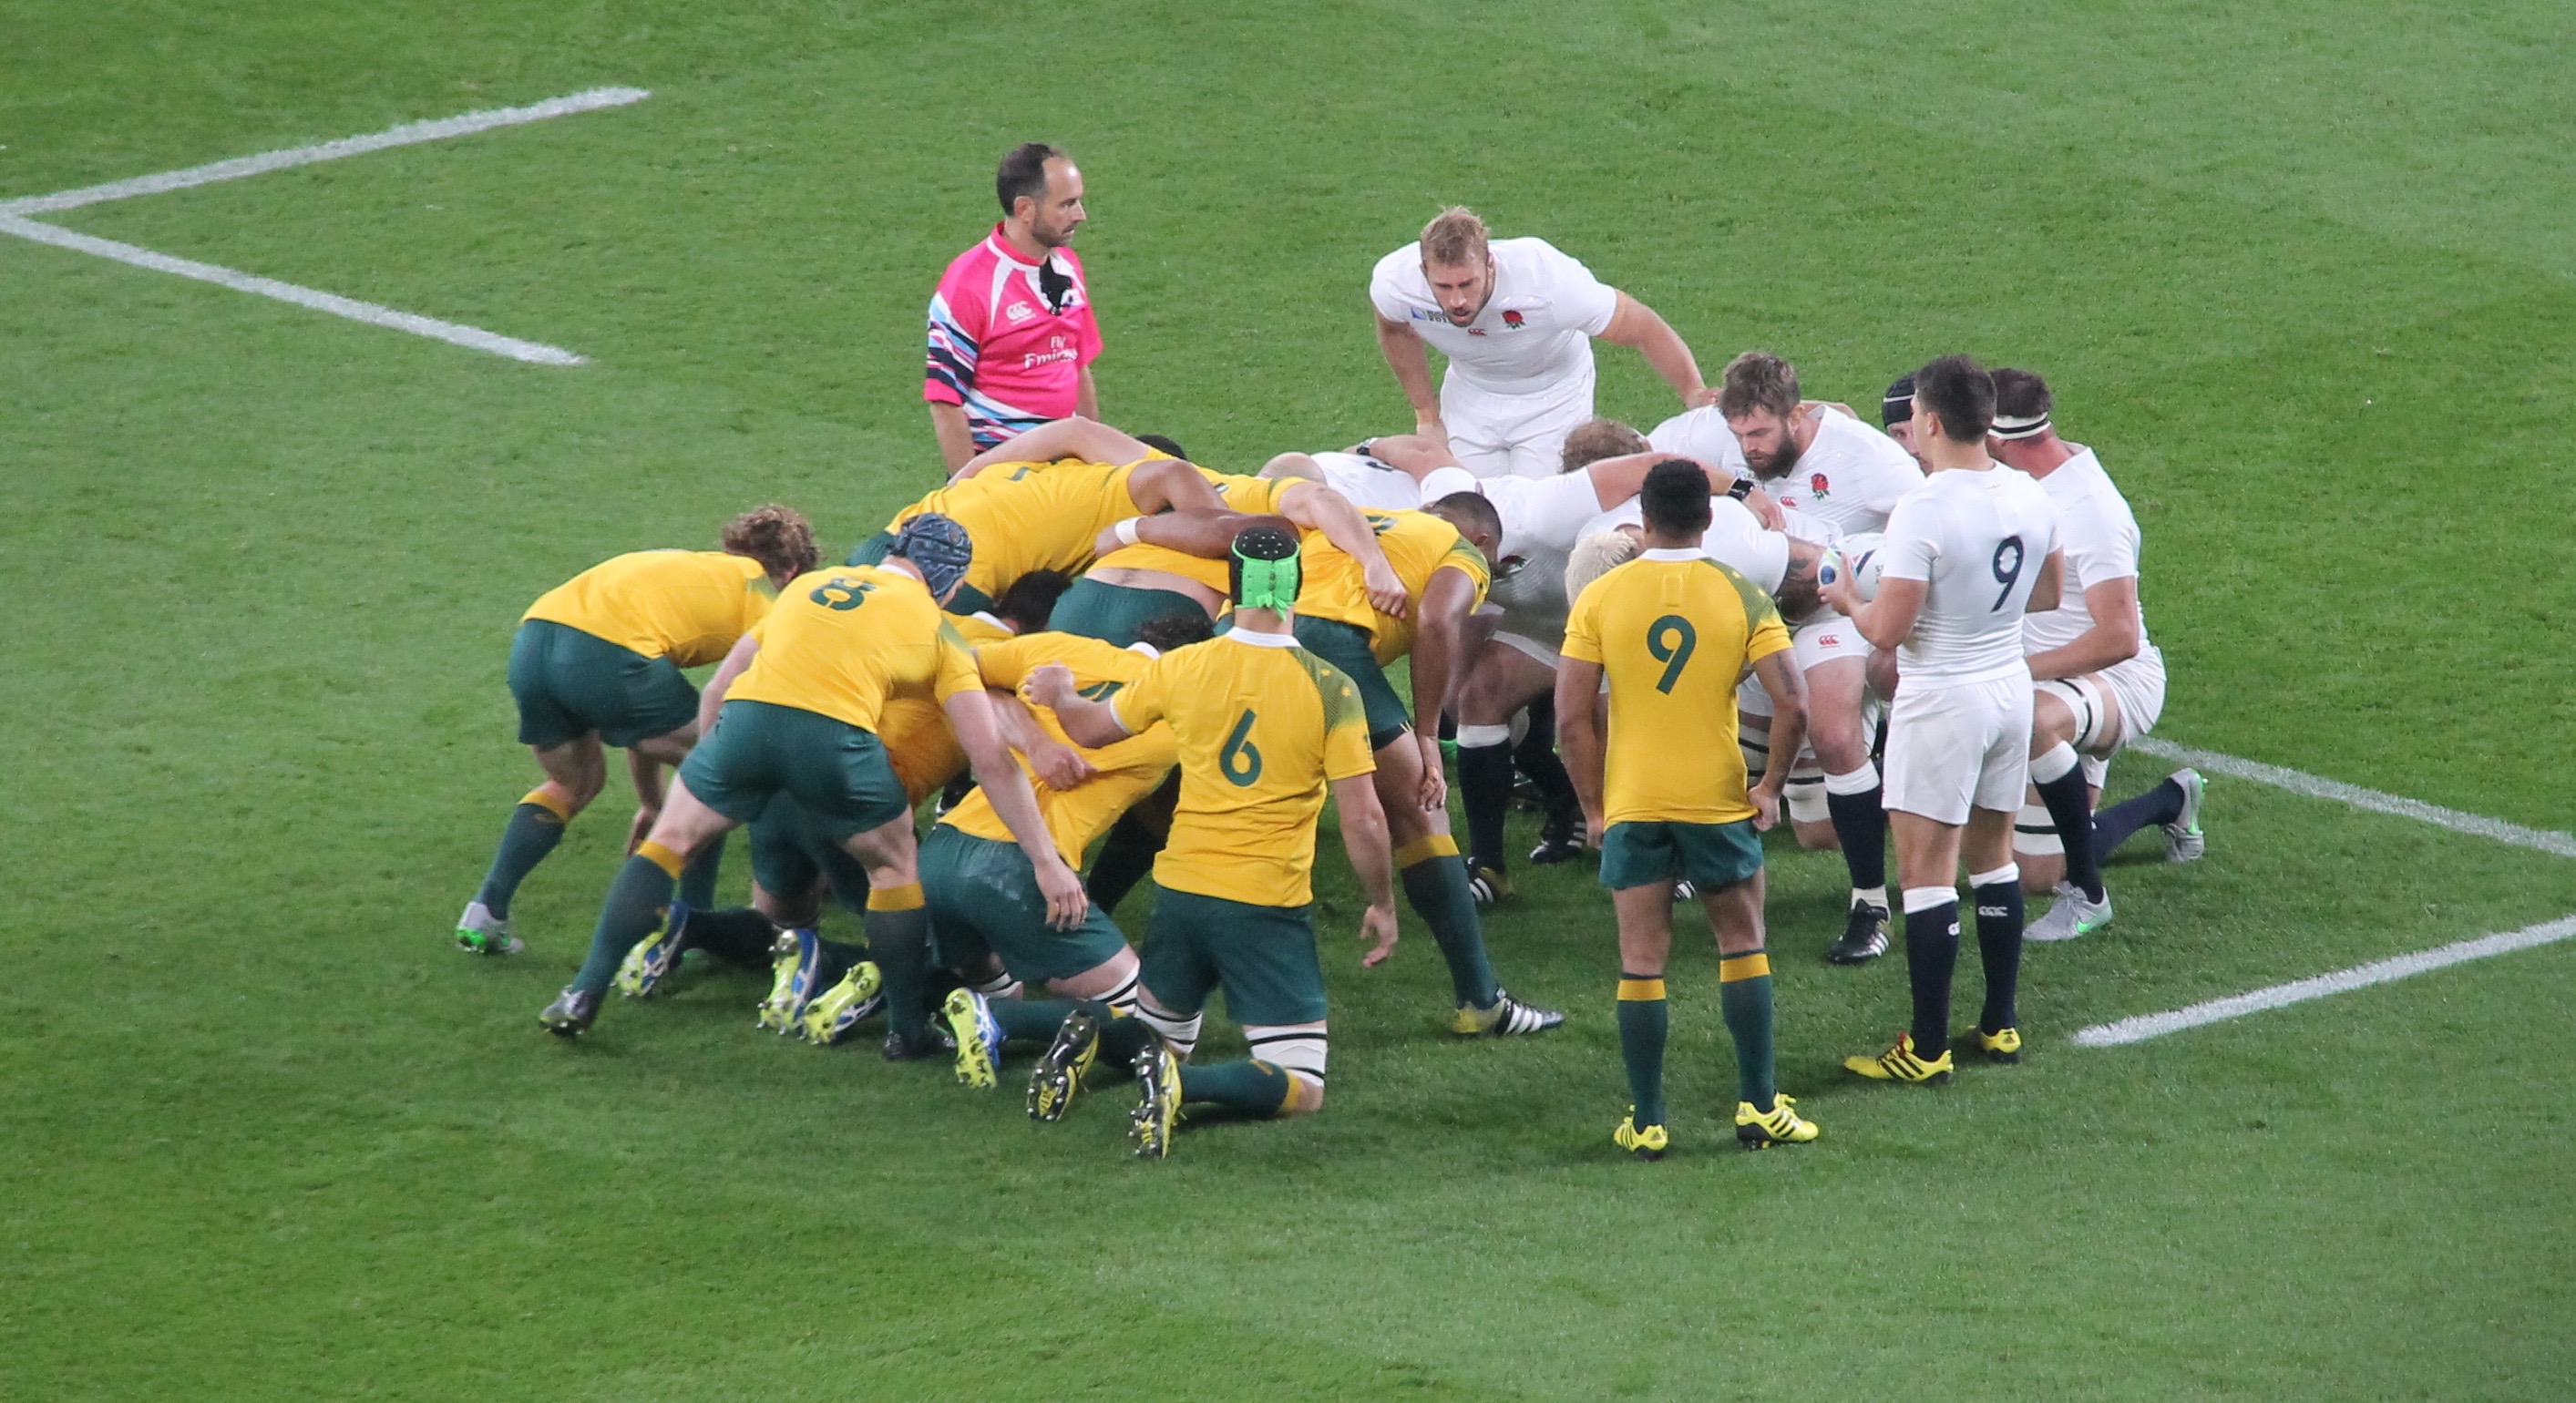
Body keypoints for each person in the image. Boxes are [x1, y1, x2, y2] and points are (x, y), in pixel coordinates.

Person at [536, 515, 1084, 1052]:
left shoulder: (808, 587)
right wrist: (1045, 861)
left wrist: (716, 772)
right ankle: (908, 1029)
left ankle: (583, 991)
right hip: (835, 745)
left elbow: (717, 690)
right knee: (894, 869)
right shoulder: (940, 633)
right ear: (952, 585)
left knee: (667, 843)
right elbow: (989, 758)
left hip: (746, 723)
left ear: (896, 553)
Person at [1024, 520, 1399, 1157]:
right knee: (1302, 1084)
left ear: (1232, 587)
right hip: (1262, 903)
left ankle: (1087, 1036)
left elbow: (1089, 730)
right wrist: (1382, 902)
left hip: (1180, 891)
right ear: (1296, 590)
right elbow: (1363, 819)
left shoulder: (1185, 666)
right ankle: (1184, 1089)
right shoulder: (1331, 688)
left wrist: (1061, 694)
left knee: (1162, 1037)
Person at [1558, 460, 1820, 1156]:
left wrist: (1593, 809)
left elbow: (1570, 718)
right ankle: (1758, 1107)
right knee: (1742, 944)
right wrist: (1770, 789)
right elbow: (1794, 703)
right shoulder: (1740, 593)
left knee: (1641, 960)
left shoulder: (1599, 596)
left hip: (1634, 801)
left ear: (1642, 521)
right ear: (1707, 518)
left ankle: (1647, 1122)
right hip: (1715, 800)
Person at [1822, 355, 2063, 1085]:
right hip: (2008, 689)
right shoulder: (2028, 493)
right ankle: (1999, 1024)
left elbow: (1886, 631)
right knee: (1993, 860)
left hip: (1942, 699)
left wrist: (1845, 599)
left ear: (1928, 421)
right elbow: (2047, 594)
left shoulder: (1923, 508)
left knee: (1926, 877)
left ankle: (1925, 1049)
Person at [454, 508, 818, 956]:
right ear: (793, 570)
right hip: (606, 652)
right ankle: (692, 928)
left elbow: (642, 728)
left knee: (573, 783)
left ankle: (487, 909)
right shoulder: (763, 595)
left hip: (534, 641)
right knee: (715, 775)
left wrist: (651, 803)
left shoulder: (689, 567)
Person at [920, 614, 1216, 1096]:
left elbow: (957, 672)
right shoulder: (1177, 717)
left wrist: (1032, 737)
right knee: (1161, 1033)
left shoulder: (1055, 650)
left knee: (1003, 983)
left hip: (940, 855)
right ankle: (997, 1019)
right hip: (1017, 871)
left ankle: (899, 984)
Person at [1719, 352, 1927, 962]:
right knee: (1814, 831)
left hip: (1836, 611)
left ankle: (1870, 906)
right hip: (1760, 613)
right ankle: (1695, 861)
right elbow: (1648, 465)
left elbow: (1926, 525)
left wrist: (1864, 583)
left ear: (1797, 415)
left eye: (1760, 434)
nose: (1749, 448)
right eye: (1739, 435)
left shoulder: (1865, 456)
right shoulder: (1727, 448)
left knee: (1834, 736)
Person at [1984, 367, 2202, 939]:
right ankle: (2170, 800)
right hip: (2055, 679)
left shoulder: (2093, 512)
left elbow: (2119, 637)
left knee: (2031, 717)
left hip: (2115, 680)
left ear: (1999, 440)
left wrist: (2015, 671)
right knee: (2035, 874)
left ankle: (2089, 895)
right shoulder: (2032, 478)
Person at [1370, 207, 1710, 480]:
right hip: (1471, 392)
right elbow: (1395, 330)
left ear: (1490, 265)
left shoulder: (1548, 281)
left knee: (1539, 516)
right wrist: (1427, 416)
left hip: (1552, 395)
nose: (1457, 300)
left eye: (1467, 284)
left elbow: (1642, 327)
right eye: (1443, 287)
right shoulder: (1396, 284)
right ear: (1423, 271)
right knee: (1470, 509)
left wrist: (1693, 390)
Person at [848, 417, 1225, 616]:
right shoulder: (1124, 488)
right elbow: (1174, 474)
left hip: (888, 541)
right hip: (957, 577)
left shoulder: (1034, 469)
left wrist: (959, 481)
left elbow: (1074, 429)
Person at [924, 143, 1100, 469]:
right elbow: (945, 403)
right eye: (1067, 204)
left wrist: (1097, 463)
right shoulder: (968, 285)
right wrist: (968, 491)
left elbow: (1078, 367)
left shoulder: (1068, 267)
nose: (1080, 215)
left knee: (1165, 463)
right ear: (1025, 209)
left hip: (1067, 465)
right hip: (1005, 472)